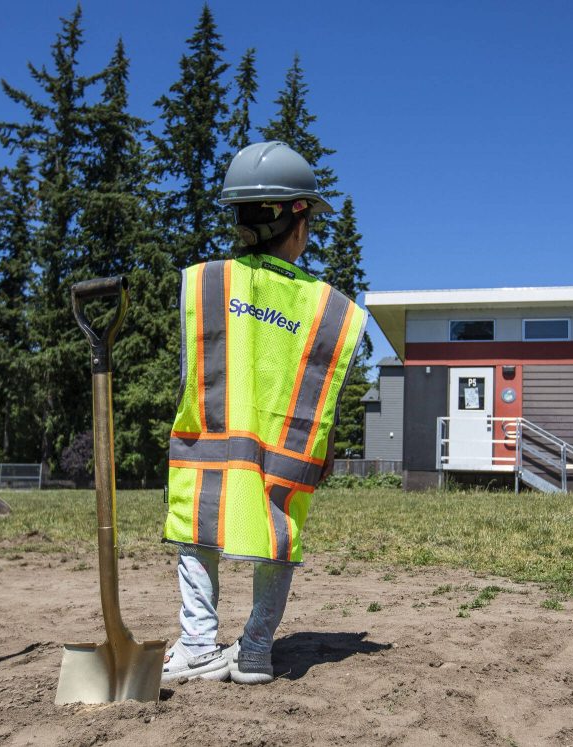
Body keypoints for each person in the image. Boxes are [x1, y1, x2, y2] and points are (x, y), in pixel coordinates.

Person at [160, 141, 367, 684]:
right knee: (277, 535)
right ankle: (254, 650)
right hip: (285, 462)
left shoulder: (207, 283)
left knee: (196, 530)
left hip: (207, 454)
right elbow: (327, 402)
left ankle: (198, 645)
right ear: (297, 222)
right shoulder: (331, 309)